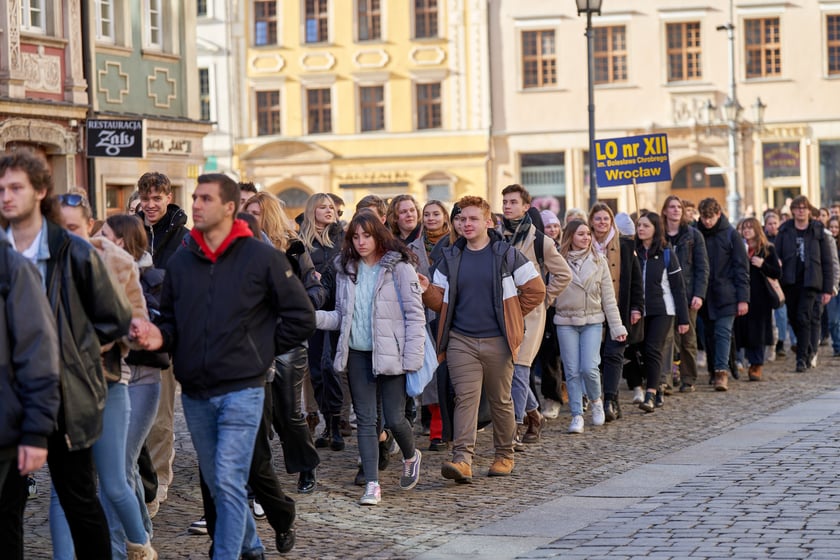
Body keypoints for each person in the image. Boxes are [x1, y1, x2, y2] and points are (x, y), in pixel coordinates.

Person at [133, 173, 316, 558]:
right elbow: (170, 319)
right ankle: (251, 546)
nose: (196, 205)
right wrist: (159, 336)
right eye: (195, 197)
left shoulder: (262, 257)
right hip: (197, 393)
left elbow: (301, 317)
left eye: (205, 198)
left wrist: (259, 352)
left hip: (243, 389)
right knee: (218, 483)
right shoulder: (184, 260)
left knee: (230, 480)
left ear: (229, 208)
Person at [0, 151, 132, 558]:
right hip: (8, 398)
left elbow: (115, 317)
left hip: (66, 394)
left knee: (78, 501)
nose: (6, 197)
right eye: (0, 188)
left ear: (41, 191)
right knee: (7, 508)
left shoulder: (74, 252)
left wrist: (73, 348)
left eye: (16, 187)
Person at [54, 195, 156, 560]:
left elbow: (137, 321)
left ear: (90, 226)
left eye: (73, 229)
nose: (67, 237)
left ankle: (140, 543)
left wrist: (124, 330)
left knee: (114, 483)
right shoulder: (36, 263)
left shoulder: (116, 261)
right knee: (65, 490)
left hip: (108, 382)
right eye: (58, 228)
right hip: (61, 389)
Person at [421, 196, 546, 483]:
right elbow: (439, 303)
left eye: (473, 218)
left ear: (488, 222)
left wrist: (511, 314)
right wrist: (427, 289)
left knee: (501, 400)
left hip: (499, 341)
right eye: (462, 219)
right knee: (465, 399)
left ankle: (504, 454)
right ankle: (462, 459)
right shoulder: (450, 257)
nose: (466, 223)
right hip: (460, 340)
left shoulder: (506, 254)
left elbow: (536, 290)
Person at [316, 211, 425, 505]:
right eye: (356, 236)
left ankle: (411, 454)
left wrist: (413, 357)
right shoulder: (346, 269)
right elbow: (341, 316)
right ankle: (372, 484)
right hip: (358, 355)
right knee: (365, 420)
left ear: (379, 236)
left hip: (393, 355)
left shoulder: (399, 267)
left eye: (367, 235)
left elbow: (416, 315)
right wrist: (312, 318)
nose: (361, 242)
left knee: (394, 418)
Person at [244, 192, 324, 491]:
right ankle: (260, 478)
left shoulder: (292, 248)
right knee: (259, 415)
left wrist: (297, 305)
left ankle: (306, 465)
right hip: (254, 342)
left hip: (288, 341)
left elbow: (314, 289)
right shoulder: (240, 250)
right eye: (248, 211)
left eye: (258, 211)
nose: (252, 216)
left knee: (288, 413)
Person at [102, 214, 168, 545]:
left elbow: (155, 332)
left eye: (103, 234)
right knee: (122, 469)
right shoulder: (97, 275)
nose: (96, 239)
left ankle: (124, 544)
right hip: (112, 381)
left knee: (120, 464)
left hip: (142, 380)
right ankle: (139, 537)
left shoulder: (152, 279)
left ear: (121, 243)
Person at [0, 229, 60, 559]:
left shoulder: (13, 268)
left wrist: (36, 433)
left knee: (7, 520)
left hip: (6, 426)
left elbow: (39, 354)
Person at [498, 184, 571, 445]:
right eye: (505, 201)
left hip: (530, 313)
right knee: (506, 370)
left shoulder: (539, 240)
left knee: (519, 369)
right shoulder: (495, 236)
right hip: (502, 311)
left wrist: (546, 298)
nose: (507, 205)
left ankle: (515, 427)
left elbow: (564, 274)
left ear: (526, 206)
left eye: (513, 201)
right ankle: (534, 414)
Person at [136, 171, 189, 515]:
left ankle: (158, 481)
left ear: (168, 197)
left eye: (158, 198)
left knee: (161, 414)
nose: (152, 204)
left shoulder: (184, 238)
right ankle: (142, 477)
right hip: (134, 335)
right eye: (146, 198)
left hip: (168, 336)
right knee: (135, 413)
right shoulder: (131, 230)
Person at [553, 220, 627, 433]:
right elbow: (549, 291)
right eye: (580, 234)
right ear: (570, 237)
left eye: (588, 234)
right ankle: (577, 414)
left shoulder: (599, 261)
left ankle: (595, 400)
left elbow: (609, 298)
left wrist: (617, 327)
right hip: (565, 321)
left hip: (593, 321)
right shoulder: (558, 260)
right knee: (572, 371)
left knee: (590, 367)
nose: (586, 237)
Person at [299, 193, 347, 456]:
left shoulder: (342, 236)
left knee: (333, 366)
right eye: (323, 207)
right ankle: (327, 425)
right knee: (316, 368)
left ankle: (337, 423)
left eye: (331, 207)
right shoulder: (300, 240)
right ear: (312, 211)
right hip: (314, 308)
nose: (329, 211)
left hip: (338, 306)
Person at [588, 204, 643, 420]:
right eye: (598, 219)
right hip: (591, 311)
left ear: (611, 222)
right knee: (597, 358)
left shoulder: (626, 246)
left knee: (614, 354)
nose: (602, 222)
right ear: (591, 221)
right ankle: (611, 398)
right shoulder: (583, 243)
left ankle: (610, 400)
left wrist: (637, 307)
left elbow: (636, 278)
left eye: (606, 219)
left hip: (619, 308)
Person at [633, 212, 689, 411]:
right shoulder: (634, 252)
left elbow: (678, 288)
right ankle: (655, 387)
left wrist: (684, 319)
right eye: (639, 225)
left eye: (646, 226)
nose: (641, 229)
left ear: (656, 229)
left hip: (663, 310)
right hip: (639, 311)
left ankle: (650, 394)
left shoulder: (666, 253)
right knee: (640, 351)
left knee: (653, 349)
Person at [408, 200, 451, 451]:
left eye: (436, 214)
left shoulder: (456, 242)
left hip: (449, 312)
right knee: (430, 370)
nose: (432, 218)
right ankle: (436, 429)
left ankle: (449, 426)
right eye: (427, 214)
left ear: (445, 216)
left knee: (449, 372)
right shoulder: (412, 247)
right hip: (423, 314)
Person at [774, 195, 835, 372]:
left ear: (809, 210)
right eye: (797, 207)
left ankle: (801, 358)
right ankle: (807, 348)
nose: (801, 210)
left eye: (804, 207)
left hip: (811, 281)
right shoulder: (785, 230)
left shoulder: (817, 230)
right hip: (790, 282)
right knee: (794, 318)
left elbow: (827, 261)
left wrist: (828, 288)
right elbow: (776, 254)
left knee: (804, 317)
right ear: (792, 211)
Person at [696, 198, 750, 390]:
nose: (707, 221)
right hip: (704, 294)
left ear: (718, 214)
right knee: (709, 334)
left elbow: (741, 268)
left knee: (723, 332)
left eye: (710, 217)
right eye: (704, 217)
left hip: (727, 293)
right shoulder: (696, 233)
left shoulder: (730, 234)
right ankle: (714, 369)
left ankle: (721, 372)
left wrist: (743, 298)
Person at [661, 196, 709, 393]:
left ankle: (688, 378)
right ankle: (665, 380)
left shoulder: (693, 235)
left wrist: (699, 293)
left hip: (687, 294)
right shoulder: (659, 235)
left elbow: (702, 267)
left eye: (678, 207)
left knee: (687, 338)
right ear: (664, 211)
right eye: (671, 207)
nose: (675, 210)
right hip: (663, 294)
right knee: (665, 339)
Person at [734, 217, 782, 381]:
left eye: (749, 228)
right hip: (742, 295)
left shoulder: (767, 249)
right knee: (742, 330)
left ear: (756, 230)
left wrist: (762, 264)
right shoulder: (737, 247)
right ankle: (740, 360)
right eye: (743, 228)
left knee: (758, 331)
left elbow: (776, 272)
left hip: (760, 298)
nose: (746, 231)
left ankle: (756, 364)